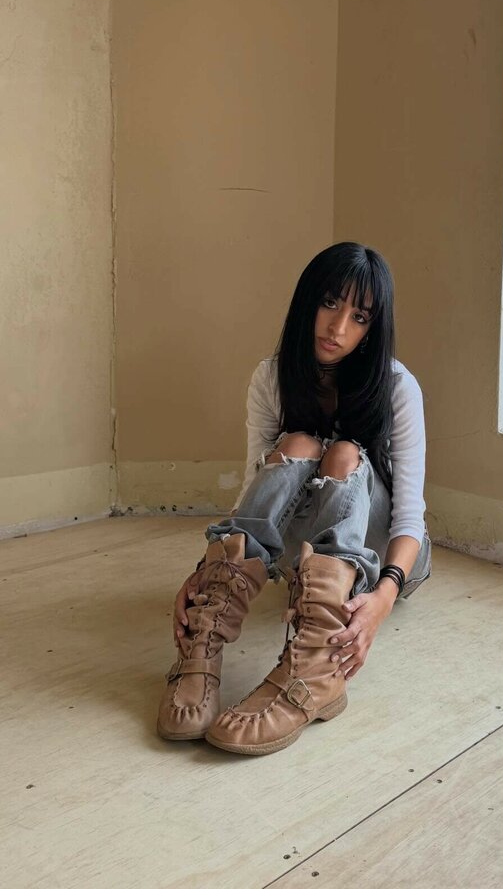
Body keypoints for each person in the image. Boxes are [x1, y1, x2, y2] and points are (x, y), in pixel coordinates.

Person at [156, 241, 432, 756]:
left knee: (344, 452)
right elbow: (254, 491)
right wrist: (206, 570)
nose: (338, 328)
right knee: (297, 445)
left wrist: (383, 598)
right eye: (329, 303)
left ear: (373, 329)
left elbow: (409, 515)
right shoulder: (272, 377)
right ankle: (206, 635)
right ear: (308, 301)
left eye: (359, 317)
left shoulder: (397, 387)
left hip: (387, 555)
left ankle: (317, 670)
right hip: (301, 549)